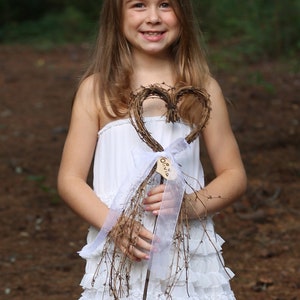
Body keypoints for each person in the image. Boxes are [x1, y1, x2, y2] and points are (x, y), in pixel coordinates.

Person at [57, 0, 247, 299]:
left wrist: (189, 204)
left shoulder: (202, 89)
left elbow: (233, 174)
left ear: (183, 13)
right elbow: (70, 180)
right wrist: (115, 225)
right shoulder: (96, 91)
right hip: (119, 247)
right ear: (116, 16)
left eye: (166, 5)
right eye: (139, 5)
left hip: (186, 250)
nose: (154, 17)